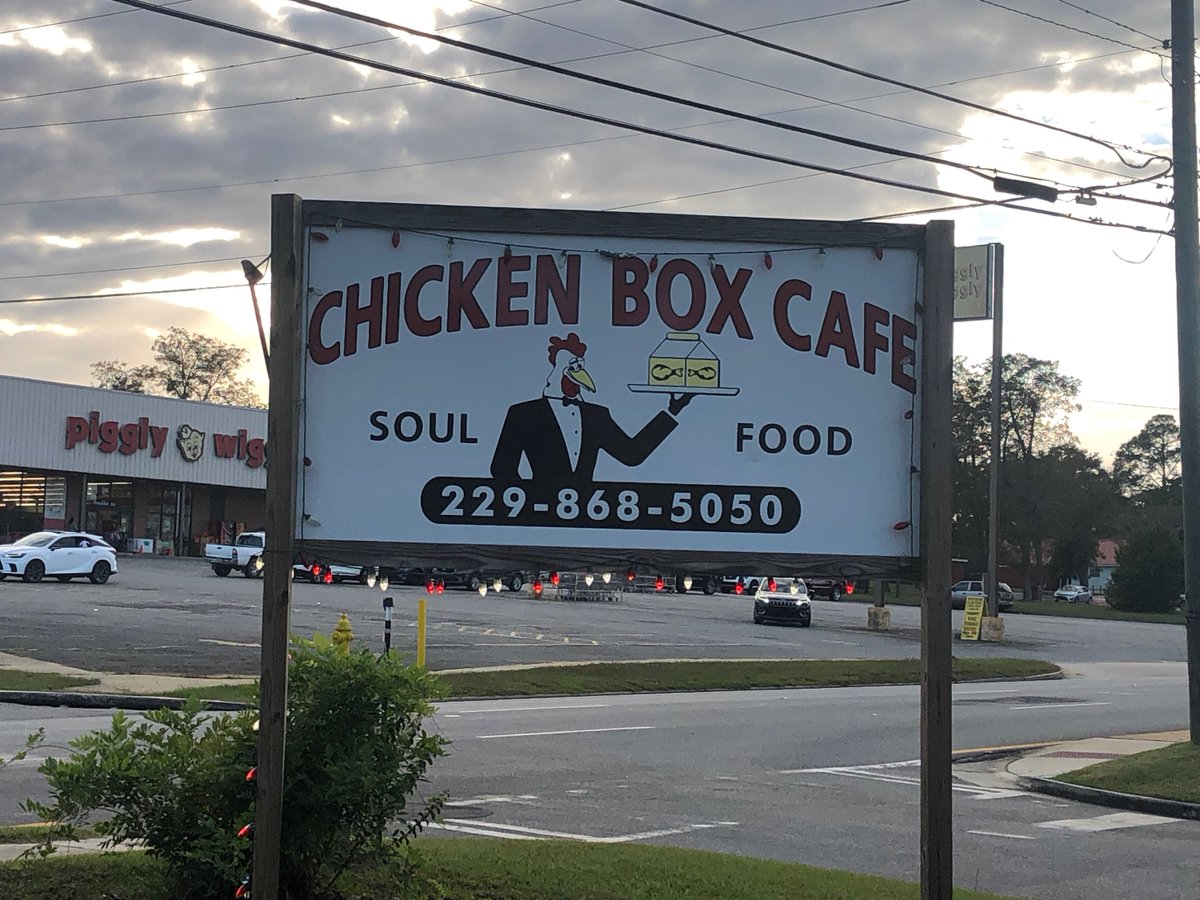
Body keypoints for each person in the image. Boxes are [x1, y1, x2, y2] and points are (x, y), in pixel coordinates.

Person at [490, 332, 691, 482]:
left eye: (581, 366)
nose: (580, 372)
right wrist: (531, 503)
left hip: (589, 513)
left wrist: (672, 411)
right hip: (541, 515)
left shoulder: (596, 415)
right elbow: (502, 468)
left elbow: (632, 454)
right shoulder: (524, 414)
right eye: (574, 366)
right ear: (560, 371)